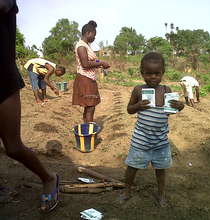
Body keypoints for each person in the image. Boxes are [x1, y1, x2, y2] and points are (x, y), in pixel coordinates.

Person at [0, 0, 60, 212]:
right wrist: (52, 90)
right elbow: (45, 79)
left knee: (13, 147)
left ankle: (49, 177)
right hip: (30, 69)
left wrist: (51, 90)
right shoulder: (49, 67)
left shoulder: (7, 4)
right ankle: (38, 100)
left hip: (2, 77)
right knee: (38, 86)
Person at [120, 52, 184, 207]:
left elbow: (170, 111)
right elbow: (129, 109)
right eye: (148, 73)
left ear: (163, 73)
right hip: (140, 141)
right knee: (132, 167)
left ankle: (161, 195)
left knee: (161, 170)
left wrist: (180, 106)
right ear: (142, 73)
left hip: (161, 142)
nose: (153, 77)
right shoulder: (138, 90)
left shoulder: (166, 90)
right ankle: (126, 190)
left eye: (157, 73)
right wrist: (137, 106)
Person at [72, 20, 110, 123]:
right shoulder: (81, 46)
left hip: (89, 79)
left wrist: (100, 63)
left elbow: (92, 61)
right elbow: (85, 64)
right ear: (88, 33)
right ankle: (89, 132)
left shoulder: (86, 46)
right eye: (94, 35)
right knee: (90, 107)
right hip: (85, 79)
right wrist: (101, 63)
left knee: (89, 106)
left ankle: (87, 129)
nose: (94, 38)